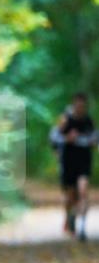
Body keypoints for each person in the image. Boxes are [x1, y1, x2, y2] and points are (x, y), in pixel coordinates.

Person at [49, 92, 98, 241]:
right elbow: (54, 138)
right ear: (73, 104)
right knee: (70, 196)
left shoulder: (88, 121)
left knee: (83, 190)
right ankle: (69, 217)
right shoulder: (65, 119)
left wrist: (93, 143)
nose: (80, 108)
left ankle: (82, 227)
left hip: (84, 161)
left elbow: (95, 138)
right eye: (78, 105)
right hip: (68, 161)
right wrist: (67, 139)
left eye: (83, 106)